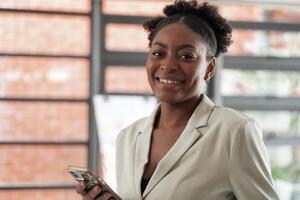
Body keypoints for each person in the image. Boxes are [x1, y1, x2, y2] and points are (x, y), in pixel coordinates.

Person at [76, 0, 279, 199]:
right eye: (158, 53)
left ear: (209, 68)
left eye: (186, 56)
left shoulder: (235, 131)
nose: (168, 65)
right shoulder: (127, 138)